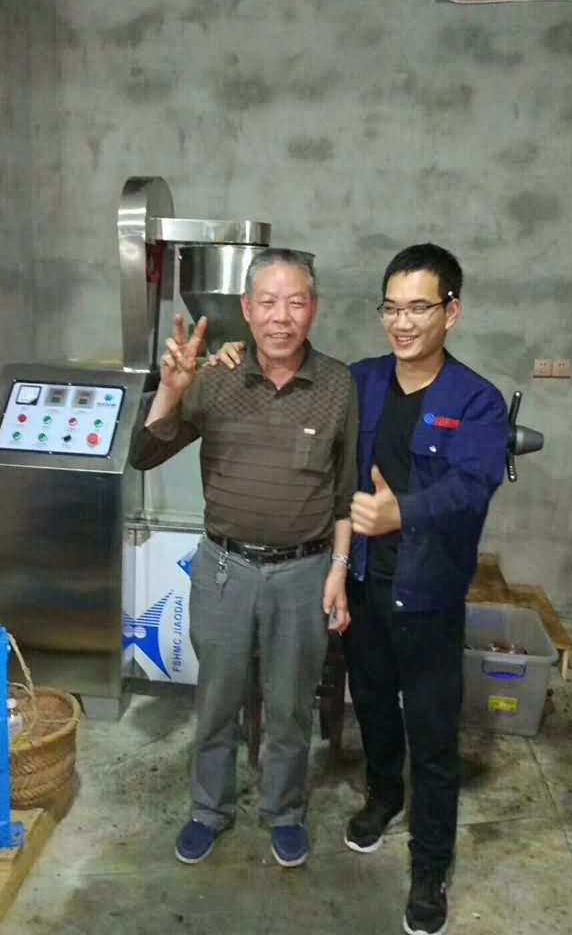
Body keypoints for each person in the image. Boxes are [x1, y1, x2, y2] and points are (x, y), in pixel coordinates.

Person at [212, 243, 509, 935]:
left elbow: (474, 484)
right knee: (371, 703)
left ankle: (430, 866)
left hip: (428, 595)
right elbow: (296, 376)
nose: (402, 323)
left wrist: (405, 510)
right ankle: (382, 796)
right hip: (366, 584)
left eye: (418, 308)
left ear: (451, 312)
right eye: (391, 308)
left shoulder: (476, 401)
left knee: (432, 734)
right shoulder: (362, 381)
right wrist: (233, 354)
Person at [129, 247, 359, 869]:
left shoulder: (338, 385)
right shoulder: (214, 377)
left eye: (296, 302)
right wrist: (171, 391)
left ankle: (284, 812)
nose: (282, 316)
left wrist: (339, 571)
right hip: (225, 570)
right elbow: (144, 455)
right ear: (247, 309)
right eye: (268, 302)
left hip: (305, 572)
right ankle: (209, 809)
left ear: (314, 309)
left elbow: (344, 492)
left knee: (290, 705)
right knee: (217, 700)